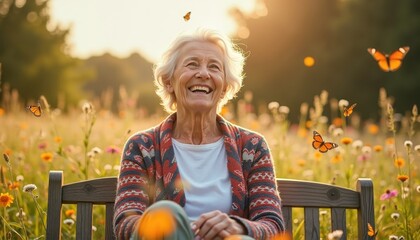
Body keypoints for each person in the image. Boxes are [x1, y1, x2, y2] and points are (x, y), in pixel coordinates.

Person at [113, 28, 285, 240]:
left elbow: (272, 225)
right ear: (169, 81)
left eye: (214, 67)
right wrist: (171, 225)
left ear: (224, 87)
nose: (203, 73)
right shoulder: (142, 147)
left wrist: (237, 227)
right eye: (192, 64)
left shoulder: (252, 147)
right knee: (165, 213)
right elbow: (125, 223)